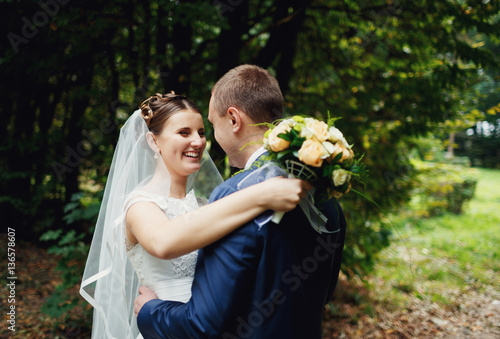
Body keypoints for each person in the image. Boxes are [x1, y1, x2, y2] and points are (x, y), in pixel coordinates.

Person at [135, 65, 347, 338]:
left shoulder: (234, 193)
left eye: (210, 126)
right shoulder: (325, 195)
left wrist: (150, 311)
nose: (205, 141)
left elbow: (203, 323)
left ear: (233, 119)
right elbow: (323, 293)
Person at [79, 92, 310, 339]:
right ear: (153, 141)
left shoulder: (205, 205)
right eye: (184, 132)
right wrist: (261, 195)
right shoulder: (140, 205)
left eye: (201, 132)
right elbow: (163, 242)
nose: (199, 142)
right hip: (165, 328)